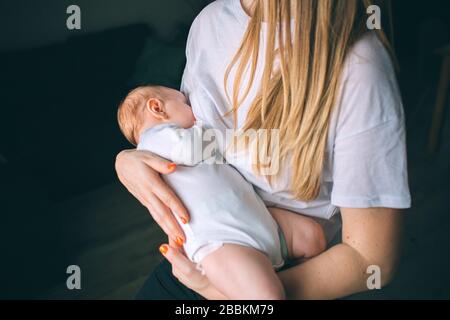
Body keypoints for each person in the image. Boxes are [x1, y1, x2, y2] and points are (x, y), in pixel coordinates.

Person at [115, 0, 411, 300]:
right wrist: (128, 159)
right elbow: (184, 136)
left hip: (284, 274)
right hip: (204, 253)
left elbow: (372, 260)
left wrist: (217, 293)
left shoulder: (358, 66)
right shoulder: (209, 23)